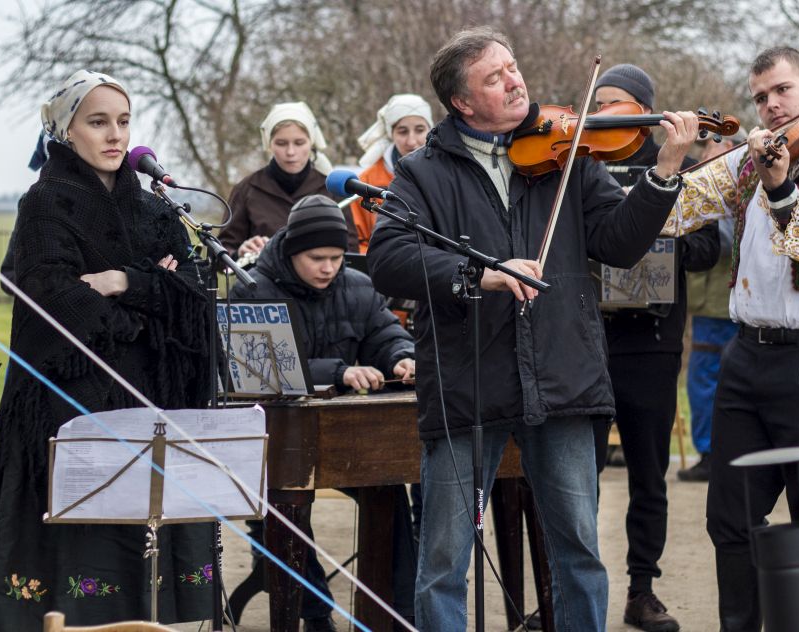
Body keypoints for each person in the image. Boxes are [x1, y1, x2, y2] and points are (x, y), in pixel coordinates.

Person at [367, 26, 700, 631]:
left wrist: (664, 173)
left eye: (512, 67)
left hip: (561, 376)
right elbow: (388, 258)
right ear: (462, 102)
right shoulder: (422, 173)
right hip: (468, 383)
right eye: (493, 78)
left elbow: (620, 244)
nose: (514, 81)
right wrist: (481, 273)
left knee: (579, 553)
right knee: (444, 560)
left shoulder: (568, 156)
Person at [0, 70, 214, 629]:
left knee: (141, 576)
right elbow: (53, 298)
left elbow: (195, 296)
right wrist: (150, 302)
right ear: (67, 131)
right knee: (75, 574)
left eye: (123, 121)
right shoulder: (44, 204)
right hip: (69, 407)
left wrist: (122, 281)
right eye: (98, 122)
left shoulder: (156, 207)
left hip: (148, 402)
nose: (115, 135)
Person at [662, 47, 799, 631]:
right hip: (747, 356)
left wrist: (781, 183)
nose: (770, 105)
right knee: (729, 518)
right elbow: (676, 208)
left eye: (782, 90)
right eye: (760, 97)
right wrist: (665, 166)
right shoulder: (751, 156)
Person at [230, 195, 417, 631]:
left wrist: (402, 357)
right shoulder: (252, 289)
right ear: (292, 250)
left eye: (336, 257)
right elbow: (259, 371)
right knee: (285, 507)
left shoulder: (359, 286)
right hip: (275, 437)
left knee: (389, 489)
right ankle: (314, 614)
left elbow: (384, 333)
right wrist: (339, 371)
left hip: (342, 433)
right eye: (317, 258)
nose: (329, 268)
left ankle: (401, 612)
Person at [592, 64, 720, 632]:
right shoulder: (579, 164)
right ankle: (569, 589)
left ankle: (641, 590)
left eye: (617, 103)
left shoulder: (681, 166)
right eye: (599, 103)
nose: (605, 113)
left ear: (645, 110)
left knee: (649, 474)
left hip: (652, 341)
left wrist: (655, 237)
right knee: (577, 476)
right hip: (588, 340)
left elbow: (708, 249)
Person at [677, 133, 745, 484]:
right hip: (717, 302)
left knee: (705, 380)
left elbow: (725, 240)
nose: (704, 153)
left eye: (710, 145)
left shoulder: (731, 180)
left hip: (720, 304)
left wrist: (685, 227)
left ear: (729, 148)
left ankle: (711, 454)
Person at [218, 102, 358, 260]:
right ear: (269, 144)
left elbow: (351, 251)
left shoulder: (332, 189)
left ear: (311, 142)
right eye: (281, 143)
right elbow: (221, 252)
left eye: (299, 143)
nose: (291, 152)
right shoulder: (246, 189)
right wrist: (238, 253)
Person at [351, 94, 434, 253]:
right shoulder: (367, 182)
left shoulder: (446, 175)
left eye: (420, 130)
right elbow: (357, 241)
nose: (411, 141)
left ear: (430, 130)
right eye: (402, 132)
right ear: (391, 134)